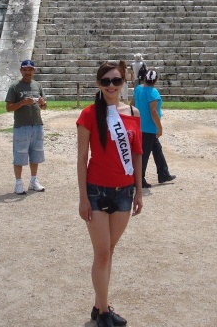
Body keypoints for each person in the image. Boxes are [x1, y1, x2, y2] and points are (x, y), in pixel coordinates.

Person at [77, 60, 143, 327]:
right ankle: (104, 312)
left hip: (124, 193)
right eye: (106, 81)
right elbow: (82, 158)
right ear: (98, 84)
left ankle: (98, 306)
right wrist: (82, 198)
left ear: (124, 82)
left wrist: (139, 191)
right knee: (103, 253)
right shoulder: (89, 114)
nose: (112, 86)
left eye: (116, 81)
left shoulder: (134, 113)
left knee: (109, 251)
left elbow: (137, 154)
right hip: (96, 192)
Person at [5, 59, 47, 195]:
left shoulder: (38, 85)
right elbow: (8, 108)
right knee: (19, 155)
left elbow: (44, 107)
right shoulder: (15, 87)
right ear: (21, 70)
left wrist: (42, 103)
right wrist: (22, 102)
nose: (27, 72)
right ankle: (18, 182)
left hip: (37, 124)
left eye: (30, 69)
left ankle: (33, 180)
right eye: (25, 69)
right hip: (21, 125)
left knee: (36, 154)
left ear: (34, 71)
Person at [131, 69, 176, 188]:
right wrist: (159, 128)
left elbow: (132, 105)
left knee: (157, 149)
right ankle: (139, 179)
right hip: (149, 128)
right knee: (144, 154)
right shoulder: (153, 92)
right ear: (156, 80)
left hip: (140, 126)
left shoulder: (138, 89)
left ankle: (163, 173)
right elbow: (154, 112)